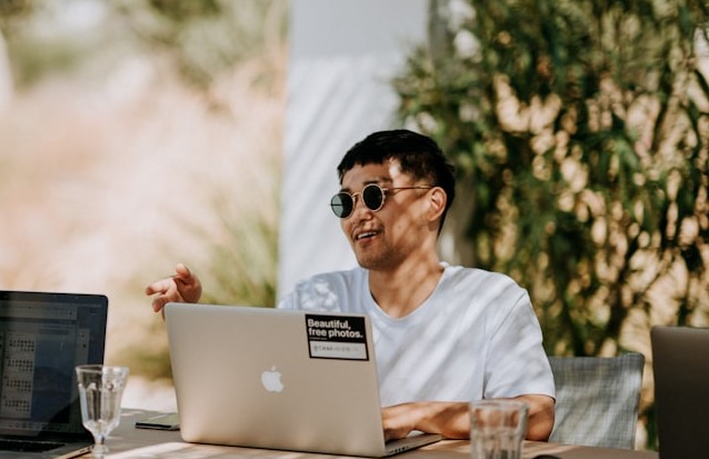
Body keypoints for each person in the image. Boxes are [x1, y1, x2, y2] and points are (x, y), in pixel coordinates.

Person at [147, 129, 556, 442]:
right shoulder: (316, 297)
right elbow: (255, 391)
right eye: (346, 202)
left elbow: (536, 417)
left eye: (375, 195)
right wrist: (194, 317)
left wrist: (413, 416)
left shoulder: (493, 300)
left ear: (433, 203)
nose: (358, 213)